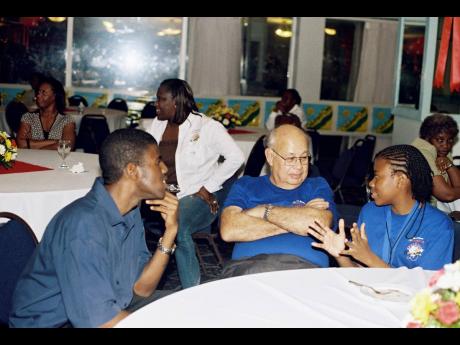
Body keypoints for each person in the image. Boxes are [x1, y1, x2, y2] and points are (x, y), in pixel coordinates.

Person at [9, 129, 179, 328]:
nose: (165, 169)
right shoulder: (83, 227)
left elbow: (141, 289)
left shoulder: (130, 211)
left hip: (106, 308)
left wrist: (170, 232)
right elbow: (99, 323)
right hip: (54, 324)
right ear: (132, 170)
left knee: (185, 306)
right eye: (157, 161)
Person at [146, 78, 245, 289]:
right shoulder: (156, 124)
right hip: (163, 195)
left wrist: (208, 187)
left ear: (176, 102)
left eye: (161, 99)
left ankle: (191, 291)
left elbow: (236, 158)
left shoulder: (208, 127)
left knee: (179, 226)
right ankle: (137, 280)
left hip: (198, 197)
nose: (156, 104)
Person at [308, 145, 454, 270]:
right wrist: (340, 255)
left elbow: (427, 287)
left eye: (377, 176)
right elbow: (360, 273)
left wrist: (370, 259)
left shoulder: (438, 225)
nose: (371, 183)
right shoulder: (370, 212)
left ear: (400, 180)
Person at [220, 124, 337, 277]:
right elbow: (229, 230)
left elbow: (318, 223)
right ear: (270, 156)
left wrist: (264, 211)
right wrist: (300, 216)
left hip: (305, 270)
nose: (299, 166)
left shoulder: (317, 186)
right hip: (248, 268)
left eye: (304, 157)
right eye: (290, 158)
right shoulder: (246, 185)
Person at [411, 114, 460, 214]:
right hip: (418, 214)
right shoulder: (423, 152)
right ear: (427, 138)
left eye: (450, 140)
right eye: (440, 140)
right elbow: (447, 195)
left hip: (434, 210)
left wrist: (450, 166)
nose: (446, 145)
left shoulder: (442, 152)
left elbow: (455, 186)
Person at [16, 76, 76, 150]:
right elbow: (21, 145)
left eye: (43, 92)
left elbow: (67, 146)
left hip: (56, 161)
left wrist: (32, 144)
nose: (38, 95)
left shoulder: (66, 120)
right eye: (38, 92)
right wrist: (56, 142)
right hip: (32, 160)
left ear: (55, 96)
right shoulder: (28, 117)